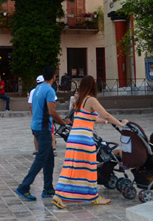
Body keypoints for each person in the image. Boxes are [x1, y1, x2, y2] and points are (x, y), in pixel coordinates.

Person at [52, 75, 127, 209]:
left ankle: (59, 196)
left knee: (71, 167)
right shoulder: (91, 100)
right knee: (90, 167)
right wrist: (120, 124)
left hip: (73, 139)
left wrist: (103, 121)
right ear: (92, 86)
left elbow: (83, 118)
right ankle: (93, 197)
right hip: (84, 140)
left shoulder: (78, 100)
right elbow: (106, 115)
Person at [15, 66, 69, 202]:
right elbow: (51, 111)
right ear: (54, 77)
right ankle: (24, 186)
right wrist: (63, 122)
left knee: (49, 158)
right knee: (40, 159)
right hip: (44, 128)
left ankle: (48, 188)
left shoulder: (37, 88)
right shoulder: (49, 91)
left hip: (35, 126)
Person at [28, 75, 44, 154]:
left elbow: (30, 105)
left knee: (35, 134)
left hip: (35, 116)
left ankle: (37, 149)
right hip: (44, 116)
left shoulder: (33, 91)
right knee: (49, 133)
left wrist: (33, 114)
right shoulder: (46, 90)